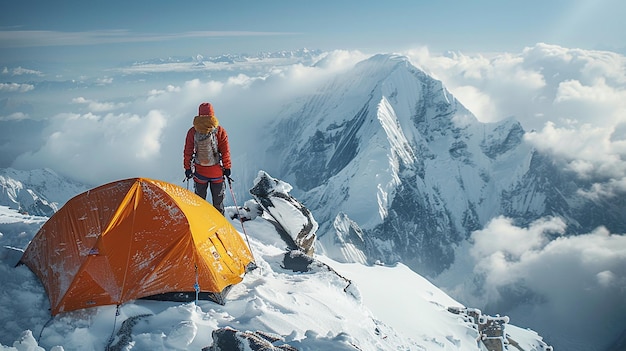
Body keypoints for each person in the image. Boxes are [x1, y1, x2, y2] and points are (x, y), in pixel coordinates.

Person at [183, 102, 231, 214]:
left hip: (200, 173)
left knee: (199, 202)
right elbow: (225, 151)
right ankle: (220, 227)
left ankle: (200, 226)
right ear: (212, 114)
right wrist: (227, 167)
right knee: (218, 203)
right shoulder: (219, 131)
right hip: (217, 173)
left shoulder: (193, 131)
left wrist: (187, 168)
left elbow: (187, 152)